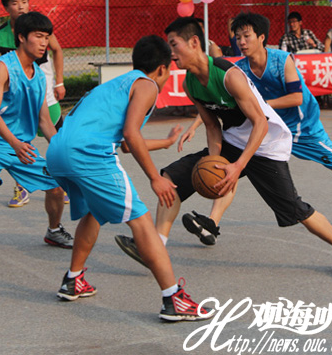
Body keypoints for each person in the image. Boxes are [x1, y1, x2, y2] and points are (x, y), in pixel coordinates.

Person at [115, 17, 332, 279]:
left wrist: (237, 167)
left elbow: (260, 123)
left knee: (294, 208)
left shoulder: (228, 75)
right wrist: (214, 162)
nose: (171, 53)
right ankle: (154, 248)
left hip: (265, 145)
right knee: (171, 180)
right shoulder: (191, 83)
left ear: (194, 42)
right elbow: (212, 126)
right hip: (233, 140)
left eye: (174, 45)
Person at [46, 35, 212, 321]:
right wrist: (155, 177)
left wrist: (164, 142)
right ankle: (173, 299)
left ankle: (73, 280)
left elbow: (126, 142)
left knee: (93, 212)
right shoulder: (147, 85)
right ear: (162, 68)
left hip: (58, 152)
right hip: (88, 154)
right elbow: (130, 134)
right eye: (169, 69)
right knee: (142, 222)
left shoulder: (118, 84)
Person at [0, 12, 73, 279]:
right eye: (38, 36)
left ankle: (53, 230)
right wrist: (15, 144)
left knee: (56, 185)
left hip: (18, 144)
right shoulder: (1, 67)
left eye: (47, 37)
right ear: (21, 37)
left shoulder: (39, 77)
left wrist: (63, 150)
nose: (44, 43)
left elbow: (45, 121)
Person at [0, 0, 69, 208]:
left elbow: (57, 50)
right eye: (15, 3)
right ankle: (22, 187)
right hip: (17, 97)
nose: (21, 6)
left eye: (24, 1)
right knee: (21, 139)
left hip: (43, 93)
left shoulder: (39, 28)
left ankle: (64, 180)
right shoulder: (0, 37)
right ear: (6, 7)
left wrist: (59, 81)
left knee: (54, 133)